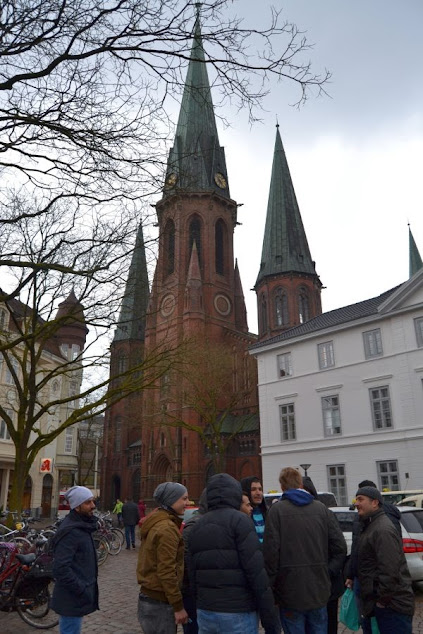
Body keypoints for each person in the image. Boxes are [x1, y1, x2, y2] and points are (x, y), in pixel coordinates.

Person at [188, 473, 279, 634]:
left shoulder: (197, 525)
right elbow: (256, 573)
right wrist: (270, 620)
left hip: (206, 612)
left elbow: (191, 574)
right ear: (235, 493)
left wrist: (196, 607)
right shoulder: (241, 521)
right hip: (238, 612)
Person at [263, 467, 346, 634]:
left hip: (289, 591)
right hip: (318, 589)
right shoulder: (322, 509)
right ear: (300, 483)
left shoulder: (276, 511)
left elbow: (271, 554)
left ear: (282, 487)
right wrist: (326, 571)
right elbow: (340, 548)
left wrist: (271, 586)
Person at [353, 485, 414, 633]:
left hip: (392, 607)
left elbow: (389, 569)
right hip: (380, 605)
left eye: (361, 499)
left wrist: (382, 601)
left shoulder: (382, 529)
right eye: (356, 499)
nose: (356, 503)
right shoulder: (370, 525)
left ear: (375, 503)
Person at [137, 481, 190, 633]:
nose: (187, 503)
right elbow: (166, 571)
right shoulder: (167, 528)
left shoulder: (157, 522)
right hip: (160, 601)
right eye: (184, 499)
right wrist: (178, 606)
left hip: (149, 597)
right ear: (171, 500)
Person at [51, 486, 99, 634]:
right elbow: (61, 568)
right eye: (88, 502)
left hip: (75, 598)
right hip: (71, 598)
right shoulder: (71, 531)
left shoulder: (82, 526)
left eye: (93, 501)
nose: (93, 506)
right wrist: (82, 588)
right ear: (77, 507)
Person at [302, 476, 346, 634]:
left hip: (328, 586)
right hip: (304, 588)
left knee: (328, 626)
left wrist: (327, 572)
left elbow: (340, 549)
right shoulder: (291, 517)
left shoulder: (325, 514)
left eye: (305, 492)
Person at [240, 475, 267, 543]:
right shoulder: (241, 517)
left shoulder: (267, 513)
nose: (258, 493)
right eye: (253, 489)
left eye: (260, 489)